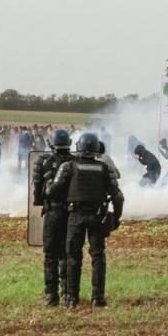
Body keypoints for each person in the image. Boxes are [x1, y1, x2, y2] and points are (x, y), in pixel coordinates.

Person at [47, 132, 125, 308]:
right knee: (98, 257)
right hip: (98, 217)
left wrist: (48, 184)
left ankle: (71, 298)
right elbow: (118, 197)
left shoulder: (68, 167)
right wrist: (116, 219)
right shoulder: (104, 168)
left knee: (73, 257)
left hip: (76, 216)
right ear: (97, 149)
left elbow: (53, 192)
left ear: (78, 148)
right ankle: (98, 298)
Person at [32, 129, 75, 306]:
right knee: (67, 253)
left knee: (50, 254)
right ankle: (67, 293)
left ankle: (51, 296)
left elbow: (37, 191)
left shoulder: (43, 162)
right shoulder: (75, 162)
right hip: (71, 214)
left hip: (52, 213)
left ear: (52, 144)